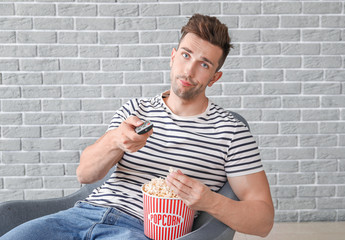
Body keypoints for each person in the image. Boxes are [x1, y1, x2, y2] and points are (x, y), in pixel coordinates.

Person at [1, 14, 274, 239]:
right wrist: (115, 141)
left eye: (203, 64)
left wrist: (208, 201)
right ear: (173, 56)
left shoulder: (231, 131)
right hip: (83, 214)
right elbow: (85, 174)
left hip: (141, 230)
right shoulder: (135, 110)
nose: (189, 71)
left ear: (215, 77)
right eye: (186, 55)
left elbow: (263, 221)